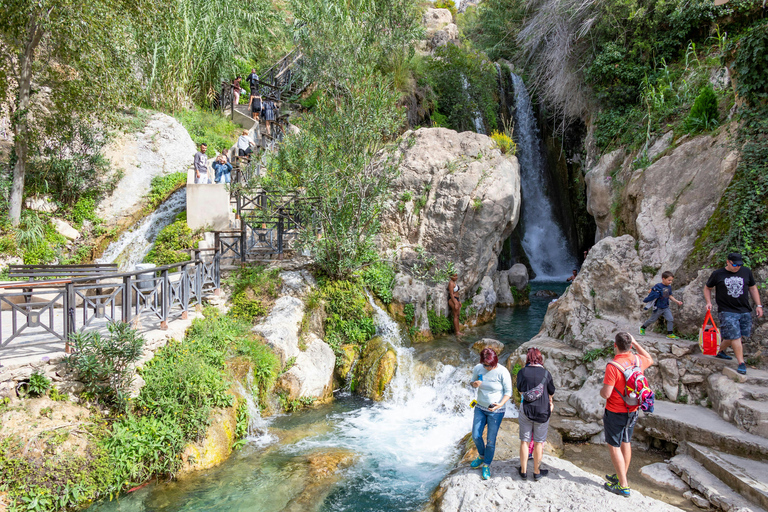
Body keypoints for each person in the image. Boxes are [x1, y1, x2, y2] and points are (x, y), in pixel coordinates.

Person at [600, 332, 653, 497]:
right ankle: (620, 474)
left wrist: (601, 391)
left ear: (615, 345)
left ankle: (623, 485)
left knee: (614, 446)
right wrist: (637, 344)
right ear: (630, 345)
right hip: (633, 410)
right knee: (626, 441)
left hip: (615, 411)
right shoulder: (637, 360)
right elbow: (650, 359)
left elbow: (606, 394)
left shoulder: (613, 366)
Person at [704, 252, 763, 375]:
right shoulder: (718, 274)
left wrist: (758, 305)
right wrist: (708, 302)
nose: (737, 267)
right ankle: (741, 363)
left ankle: (718, 350)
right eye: (734, 264)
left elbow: (752, 288)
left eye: (739, 264)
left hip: (744, 310)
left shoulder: (746, 271)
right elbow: (707, 288)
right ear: (728, 262)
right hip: (727, 310)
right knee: (735, 336)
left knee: (736, 335)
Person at [469, 348, 513, 480]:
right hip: (480, 407)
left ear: (495, 362)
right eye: (485, 365)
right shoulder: (478, 368)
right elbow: (471, 383)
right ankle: (482, 456)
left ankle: (486, 465)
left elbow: (508, 392)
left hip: (496, 410)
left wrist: (500, 404)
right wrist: (474, 384)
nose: (487, 367)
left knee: (490, 441)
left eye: (489, 365)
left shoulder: (502, 372)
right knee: (476, 435)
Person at [516, 347, 555, 481]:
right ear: (540, 359)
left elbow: (520, 389)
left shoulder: (522, 372)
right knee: (539, 442)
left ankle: (523, 471)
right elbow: (552, 390)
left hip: (526, 410)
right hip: (543, 411)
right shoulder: (546, 373)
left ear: (527, 359)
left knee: (524, 441)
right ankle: (537, 472)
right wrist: (551, 402)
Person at [639, 271, 683, 339]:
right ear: (663, 279)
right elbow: (650, 291)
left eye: (671, 280)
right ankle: (642, 328)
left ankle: (670, 334)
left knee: (670, 319)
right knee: (652, 320)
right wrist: (653, 292)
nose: (670, 282)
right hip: (658, 307)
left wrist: (677, 302)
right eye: (669, 280)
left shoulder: (669, 287)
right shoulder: (658, 286)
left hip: (665, 307)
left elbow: (670, 296)